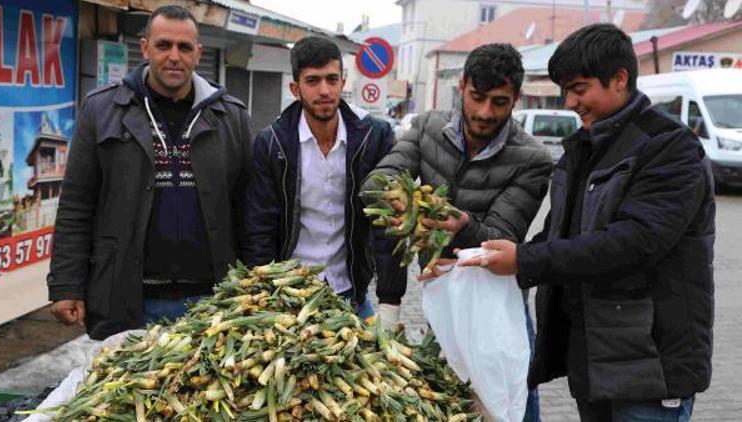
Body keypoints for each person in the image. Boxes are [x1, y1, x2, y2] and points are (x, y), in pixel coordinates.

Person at [459, 24, 715, 422]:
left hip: (650, 366)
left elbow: (635, 241)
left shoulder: (670, 147)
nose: (571, 101)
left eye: (579, 88)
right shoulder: (583, 147)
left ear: (619, 78)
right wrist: (475, 252)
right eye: (565, 90)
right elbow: (557, 235)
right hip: (594, 362)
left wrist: (526, 261)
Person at [362, 43, 552, 422]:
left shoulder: (532, 159)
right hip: (443, 301)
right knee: (451, 404)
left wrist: (462, 226)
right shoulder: (427, 127)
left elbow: (501, 235)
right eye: (477, 98)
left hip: (496, 306)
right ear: (462, 86)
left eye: (499, 102)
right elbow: (377, 181)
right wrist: (399, 198)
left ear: (515, 97)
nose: (484, 113)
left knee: (509, 405)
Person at [48, 5, 253, 340]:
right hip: (128, 301)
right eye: (163, 45)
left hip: (213, 304)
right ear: (144, 48)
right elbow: (76, 205)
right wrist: (66, 283)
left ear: (198, 53)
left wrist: (253, 286)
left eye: (184, 47)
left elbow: (248, 211)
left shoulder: (231, 117)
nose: (174, 56)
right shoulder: (102, 111)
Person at [241, 36, 406, 328]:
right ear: (296, 88)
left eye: (332, 79)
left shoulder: (374, 137)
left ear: (343, 81)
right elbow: (259, 227)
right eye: (313, 81)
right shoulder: (272, 143)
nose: (325, 90)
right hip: (290, 297)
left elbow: (388, 225)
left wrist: (390, 300)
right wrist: (263, 296)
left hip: (351, 293)